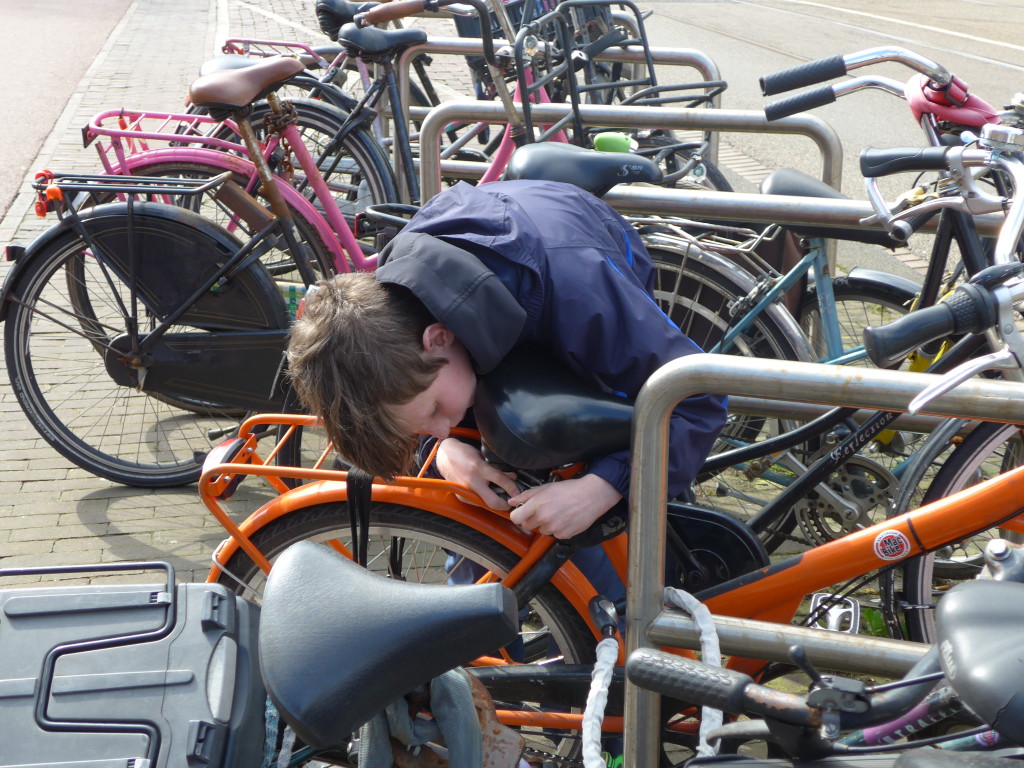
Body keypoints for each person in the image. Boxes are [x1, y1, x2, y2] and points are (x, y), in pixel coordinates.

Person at [287, 179, 727, 542]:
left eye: (435, 413)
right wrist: (442, 449)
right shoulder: (394, 309)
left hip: (571, 259)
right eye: (424, 425)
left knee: (606, 446)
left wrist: (604, 487)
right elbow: (427, 406)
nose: (440, 426)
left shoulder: (584, 296)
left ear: (439, 338)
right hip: (517, 288)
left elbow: (696, 393)